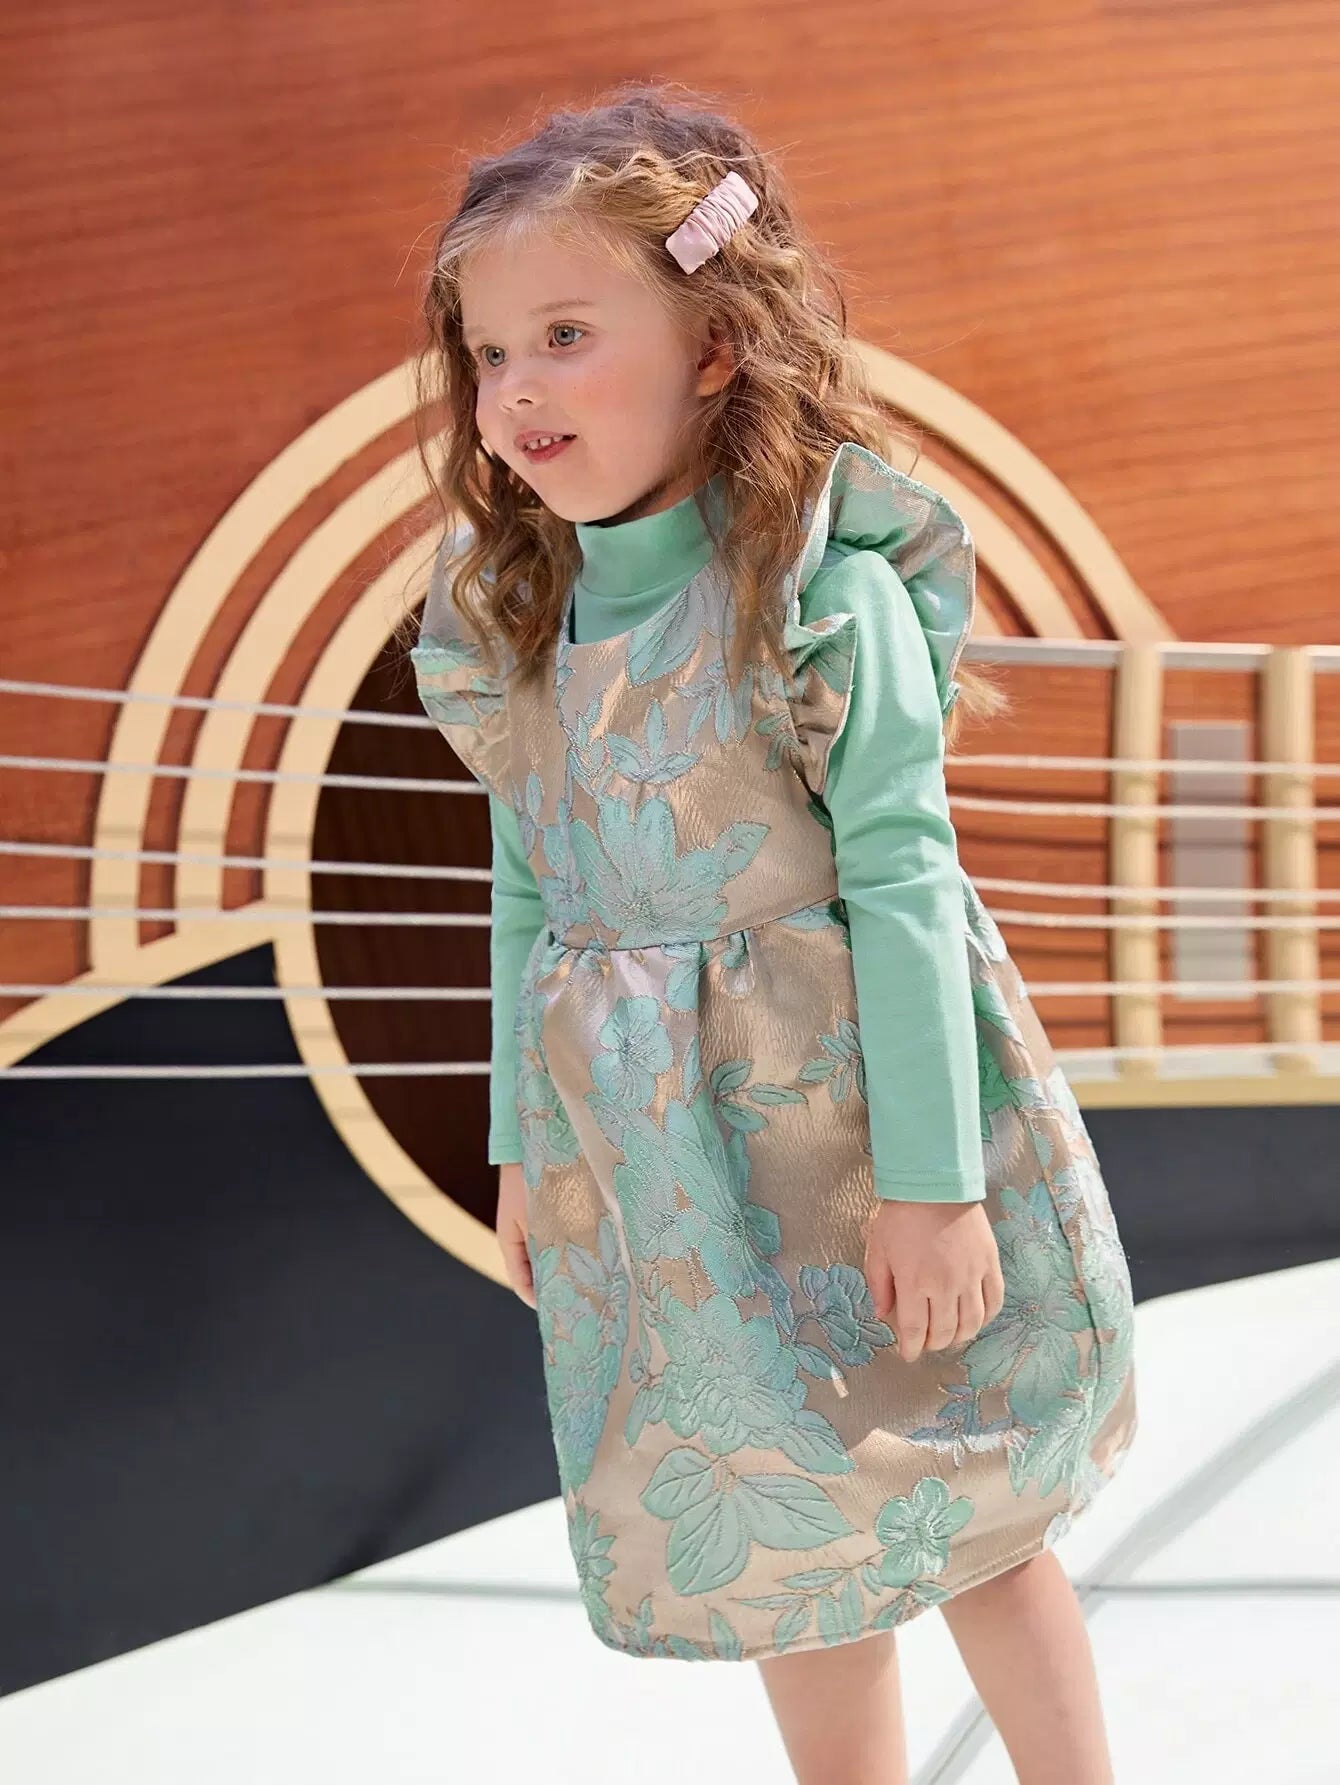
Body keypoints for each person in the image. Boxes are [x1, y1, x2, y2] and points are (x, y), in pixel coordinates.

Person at [407, 80, 1138, 1785]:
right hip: (667, 1174)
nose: (517, 390)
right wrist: (522, 1148)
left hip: (855, 1127)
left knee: (971, 1502)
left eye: (566, 335)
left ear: (716, 349)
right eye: (491, 353)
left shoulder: (819, 593)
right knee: (797, 1546)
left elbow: (906, 880)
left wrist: (935, 1188)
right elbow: (532, 891)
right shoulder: (516, 621)